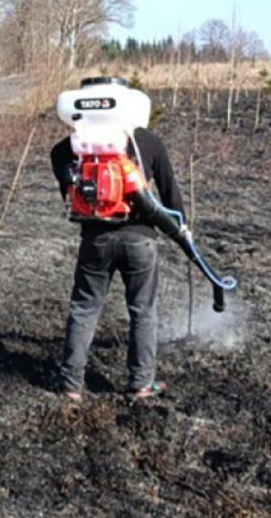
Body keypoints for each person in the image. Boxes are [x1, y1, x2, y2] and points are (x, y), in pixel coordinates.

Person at [50, 122, 186, 402]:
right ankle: (141, 384)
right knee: (143, 311)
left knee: (84, 308)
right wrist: (182, 227)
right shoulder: (147, 140)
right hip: (140, 239)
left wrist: (66, 185)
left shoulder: (82, 140)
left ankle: (71, 386)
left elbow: (56, 154)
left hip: (95, 238)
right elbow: (169, 190)